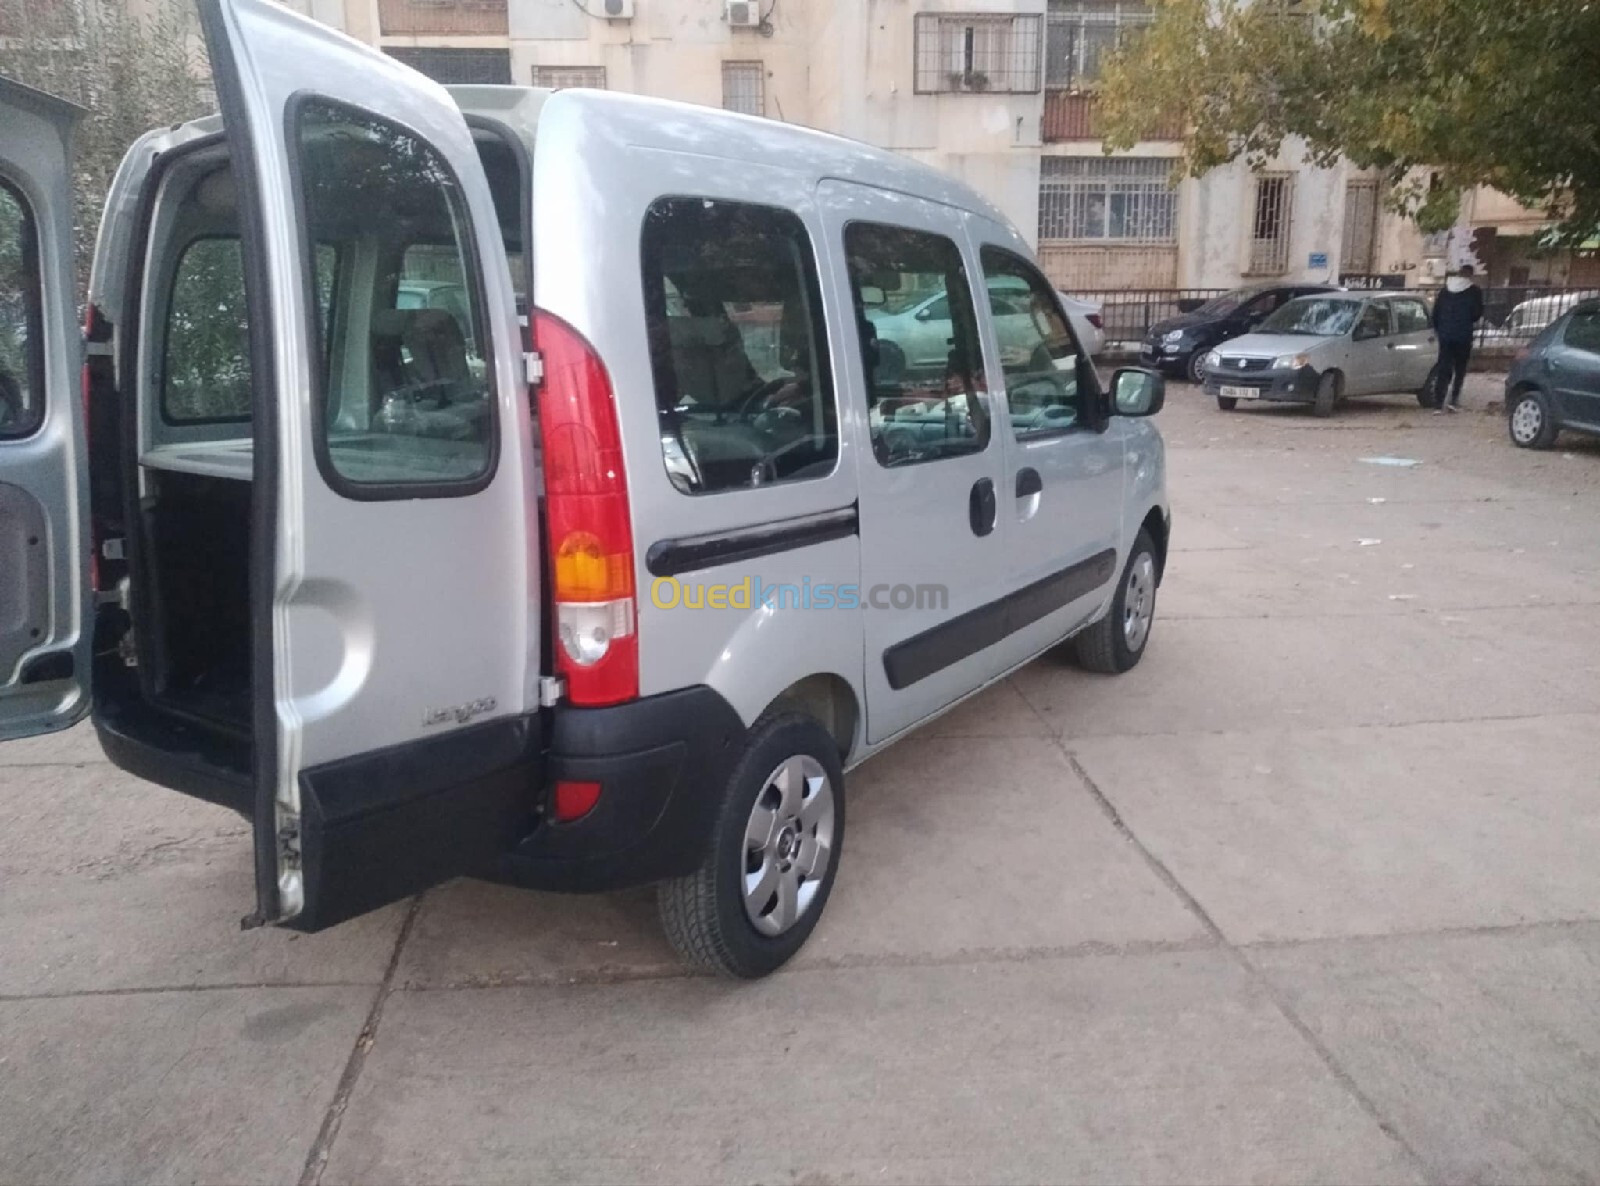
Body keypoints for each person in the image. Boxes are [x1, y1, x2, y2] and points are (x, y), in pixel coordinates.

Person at [1430, 264, 1484, 413]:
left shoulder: (1445, 290)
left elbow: (1435, 312)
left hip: (1445, 335)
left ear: (1459, 274)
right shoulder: (1474, 291)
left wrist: (1439, 330)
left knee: (1443, 368)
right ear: (1470, 275)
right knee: (1460, 368)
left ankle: (1437, 403)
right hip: (1463, 335)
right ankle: (1453, 401)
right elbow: (1477, 313)